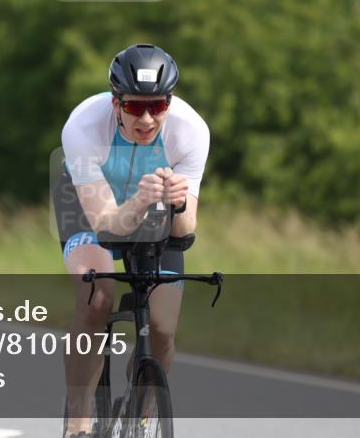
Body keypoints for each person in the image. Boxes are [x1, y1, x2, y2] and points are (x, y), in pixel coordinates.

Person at [54, 43, 210, 438]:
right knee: (98, 298)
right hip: (88, 206)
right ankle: (78, 422)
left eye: (156, 107)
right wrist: (140, 200)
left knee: (161, 328)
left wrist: (177, 204)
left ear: (168, 103)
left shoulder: (191, 132)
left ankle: (141, 415)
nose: (145, 118)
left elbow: (186, 230)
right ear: (115, 102)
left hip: (153, 209)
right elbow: (105, 223)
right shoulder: (83, 128)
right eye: (133, 106)